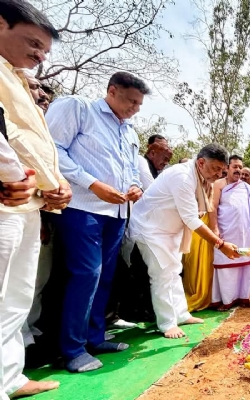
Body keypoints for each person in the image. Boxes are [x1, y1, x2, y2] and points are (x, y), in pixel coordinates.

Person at [45, 71, 149, 372]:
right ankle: (71, 349)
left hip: (116, 214)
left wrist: (134, 186)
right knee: (86, 273)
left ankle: (94, 336)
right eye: (131, 101)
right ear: (112, 91)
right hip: (82, 208)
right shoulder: (80, 109)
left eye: (139, 104)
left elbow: (131, 168)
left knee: (104, 276)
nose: (134, 108)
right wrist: (91, 183)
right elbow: (53, 150)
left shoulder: (129, 131)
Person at [0, 0, 72, 396]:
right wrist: (12, 176)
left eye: (45, 50)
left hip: (28, 201)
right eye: (33, 43)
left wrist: (53, 186)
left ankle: (10, 377)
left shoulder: (16, 79)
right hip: (7, 198)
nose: (40, 56)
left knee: (16, 297)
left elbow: (31, 141)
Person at [129, 144, 239, 338]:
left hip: (170, 229)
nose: (218, 175)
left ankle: (180, 314)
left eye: (222, 170)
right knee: (162, 275)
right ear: (201, 162)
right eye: (215, 169)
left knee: (174, 271)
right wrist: (220, 244)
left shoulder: (201, 177)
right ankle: (167, 323)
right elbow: (191, 219)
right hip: (151, 228)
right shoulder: (183, 177)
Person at [210, 155, 250, 310]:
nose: (238, 170)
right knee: (226, 264)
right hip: (226, 232)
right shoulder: (219, 184)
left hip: (247, 233)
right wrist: (215, 228)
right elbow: (213, 207)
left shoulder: (247, 187)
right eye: (235, 166)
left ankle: (243, 297)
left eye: (240, 167)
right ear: (227, 168)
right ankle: (227, 299)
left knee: (245, 265)